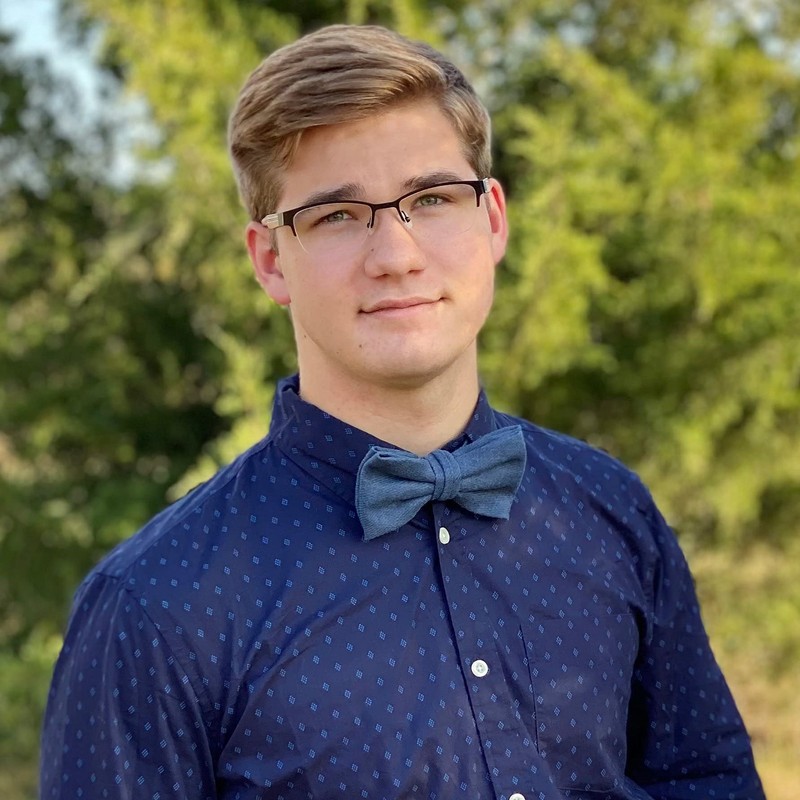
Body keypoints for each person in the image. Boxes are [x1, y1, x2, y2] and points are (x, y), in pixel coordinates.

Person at [40, 23, 764, 800]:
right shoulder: (156, 604)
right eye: (337, 216)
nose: (396, 256)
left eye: (432, 199)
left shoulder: (612, 511)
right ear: (270, 260)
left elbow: (707, 783)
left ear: (493, 219)